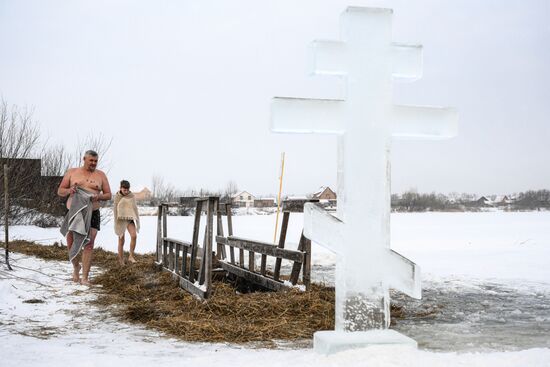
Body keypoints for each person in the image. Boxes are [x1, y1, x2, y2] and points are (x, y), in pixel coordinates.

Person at [57, 150, 112, 285]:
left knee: (89, 243)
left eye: (95, 161)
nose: (93, 163)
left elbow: (108, 195)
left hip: (93, 212)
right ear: (84, 159)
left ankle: (85, 277)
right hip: (74, 212)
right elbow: (60, 191)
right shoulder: (72, 172)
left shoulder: (101, 175)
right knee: (71, 241)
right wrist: (70, 190)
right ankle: (76, 267)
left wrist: (98, 196)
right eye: (91, 160)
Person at [113, 180, 140, 265]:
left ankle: (131, 256)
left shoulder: (131, 196)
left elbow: (134, 208)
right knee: (121, 240)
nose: (126, 192)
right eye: (124, 190)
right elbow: (115, 210)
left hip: (129, 218)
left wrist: (136, 219)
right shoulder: (117, 197)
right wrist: (116, 222)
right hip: (120, 220)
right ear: (120, 188)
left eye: (127, 190)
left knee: (134, 236)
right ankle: (121, 260)